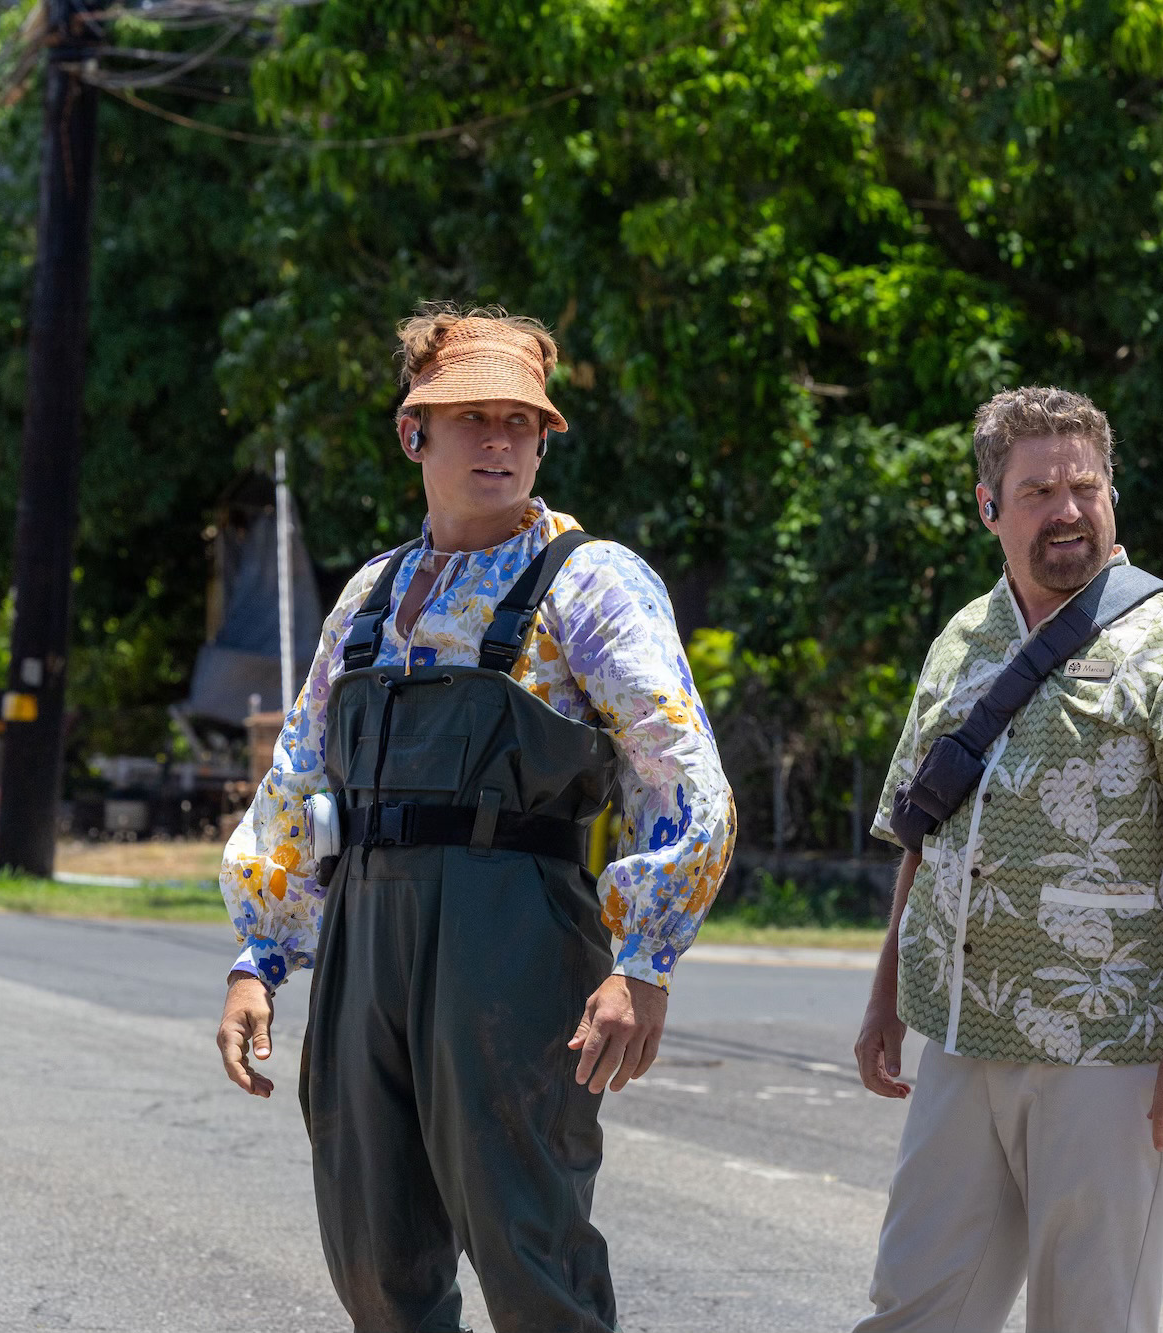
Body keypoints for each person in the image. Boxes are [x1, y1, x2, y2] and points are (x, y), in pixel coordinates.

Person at [215, 305, 736, 1332]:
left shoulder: (588, 583)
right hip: (368, 938)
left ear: (543, 439)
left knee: (527, 1247)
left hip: (514, 938)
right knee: (373, 1253)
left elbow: (681, 775)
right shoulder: (369, 595)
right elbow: (294, 777)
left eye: (520, 422)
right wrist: (255, 956)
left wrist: (643, 961)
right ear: (415, 433)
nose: (498, 442)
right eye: (471, 418)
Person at [851, 386, 1163, 1333]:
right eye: (1039, 489)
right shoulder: (962, 643)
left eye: (1084, 486)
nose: (1067, 510)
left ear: (1112, 495)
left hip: (1108, 1055)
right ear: (988, 506)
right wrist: (887, 994)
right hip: (961, 1045)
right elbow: (927, 835)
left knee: (1090, 1315)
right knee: (913, 1307)